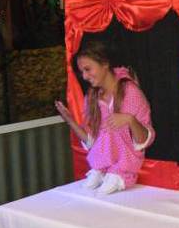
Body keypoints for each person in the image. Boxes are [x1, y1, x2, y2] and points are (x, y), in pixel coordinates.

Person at [55, 40, 155, 194]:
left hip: (123, 168)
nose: (84, 76)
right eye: (82, 72)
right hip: (101, 168)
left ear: (105, 64)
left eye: (88, 69)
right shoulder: (92, 97)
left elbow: (143, 140)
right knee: (88, 193)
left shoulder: (129, 92)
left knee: (101, 195)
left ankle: (118, 174)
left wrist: (130, 119)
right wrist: (70, 121)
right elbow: (93, 142)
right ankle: (100, 170)